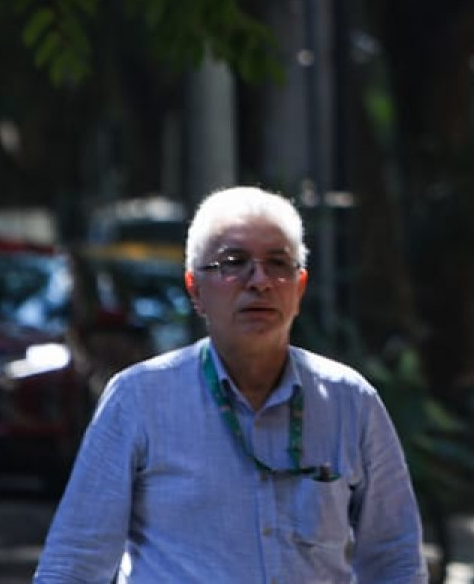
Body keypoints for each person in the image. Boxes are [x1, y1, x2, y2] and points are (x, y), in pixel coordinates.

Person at [33, 185, 427, 583]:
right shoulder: (139, 400)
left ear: (299, 288)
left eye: (277, 263)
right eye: (233, 262)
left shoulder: (350, 402)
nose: (259, 281)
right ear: (195, 290)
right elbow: (74, 563)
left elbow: (394, 560)